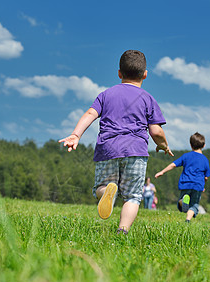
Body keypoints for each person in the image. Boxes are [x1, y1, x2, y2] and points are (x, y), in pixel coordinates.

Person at [59, 50, 173, 234]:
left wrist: (76, 135)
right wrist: (163, 145)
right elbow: (156, 131)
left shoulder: (106, 94)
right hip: (136, 150)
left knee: (101, 186)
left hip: (108, 148)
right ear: (145, 74)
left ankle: (106, 194)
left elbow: (90, 114)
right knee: (133, 196)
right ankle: (123, 229)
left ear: (119, 73)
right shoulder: (147, 98)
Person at [155, 132, 210, 223]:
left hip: (186, 183)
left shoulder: (186, 156)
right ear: (204, 145)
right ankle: (188, 219)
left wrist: (162, 171)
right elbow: (206, 177)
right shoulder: (205, 159)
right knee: (194, 205)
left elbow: (173, 165)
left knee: (181, 205)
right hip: (198, 185)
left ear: (191, 145)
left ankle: (184, 202)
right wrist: (203, 185)